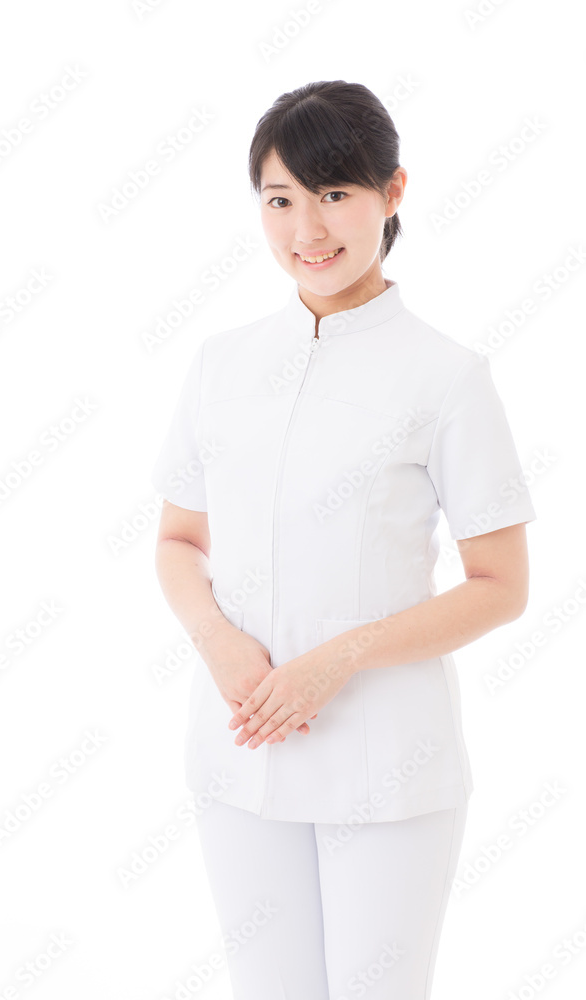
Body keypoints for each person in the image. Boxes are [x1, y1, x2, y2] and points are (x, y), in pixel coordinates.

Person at [151, 80, 537, 1000]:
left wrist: (337, 660)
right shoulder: (222, 364)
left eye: (334, 195)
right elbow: (176, 540)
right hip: (240, 746)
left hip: (385, 762)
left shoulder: (446, 377)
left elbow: (500, 584)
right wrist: (220, 642)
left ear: (391, 193)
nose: (306, 230)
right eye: (281, 199)